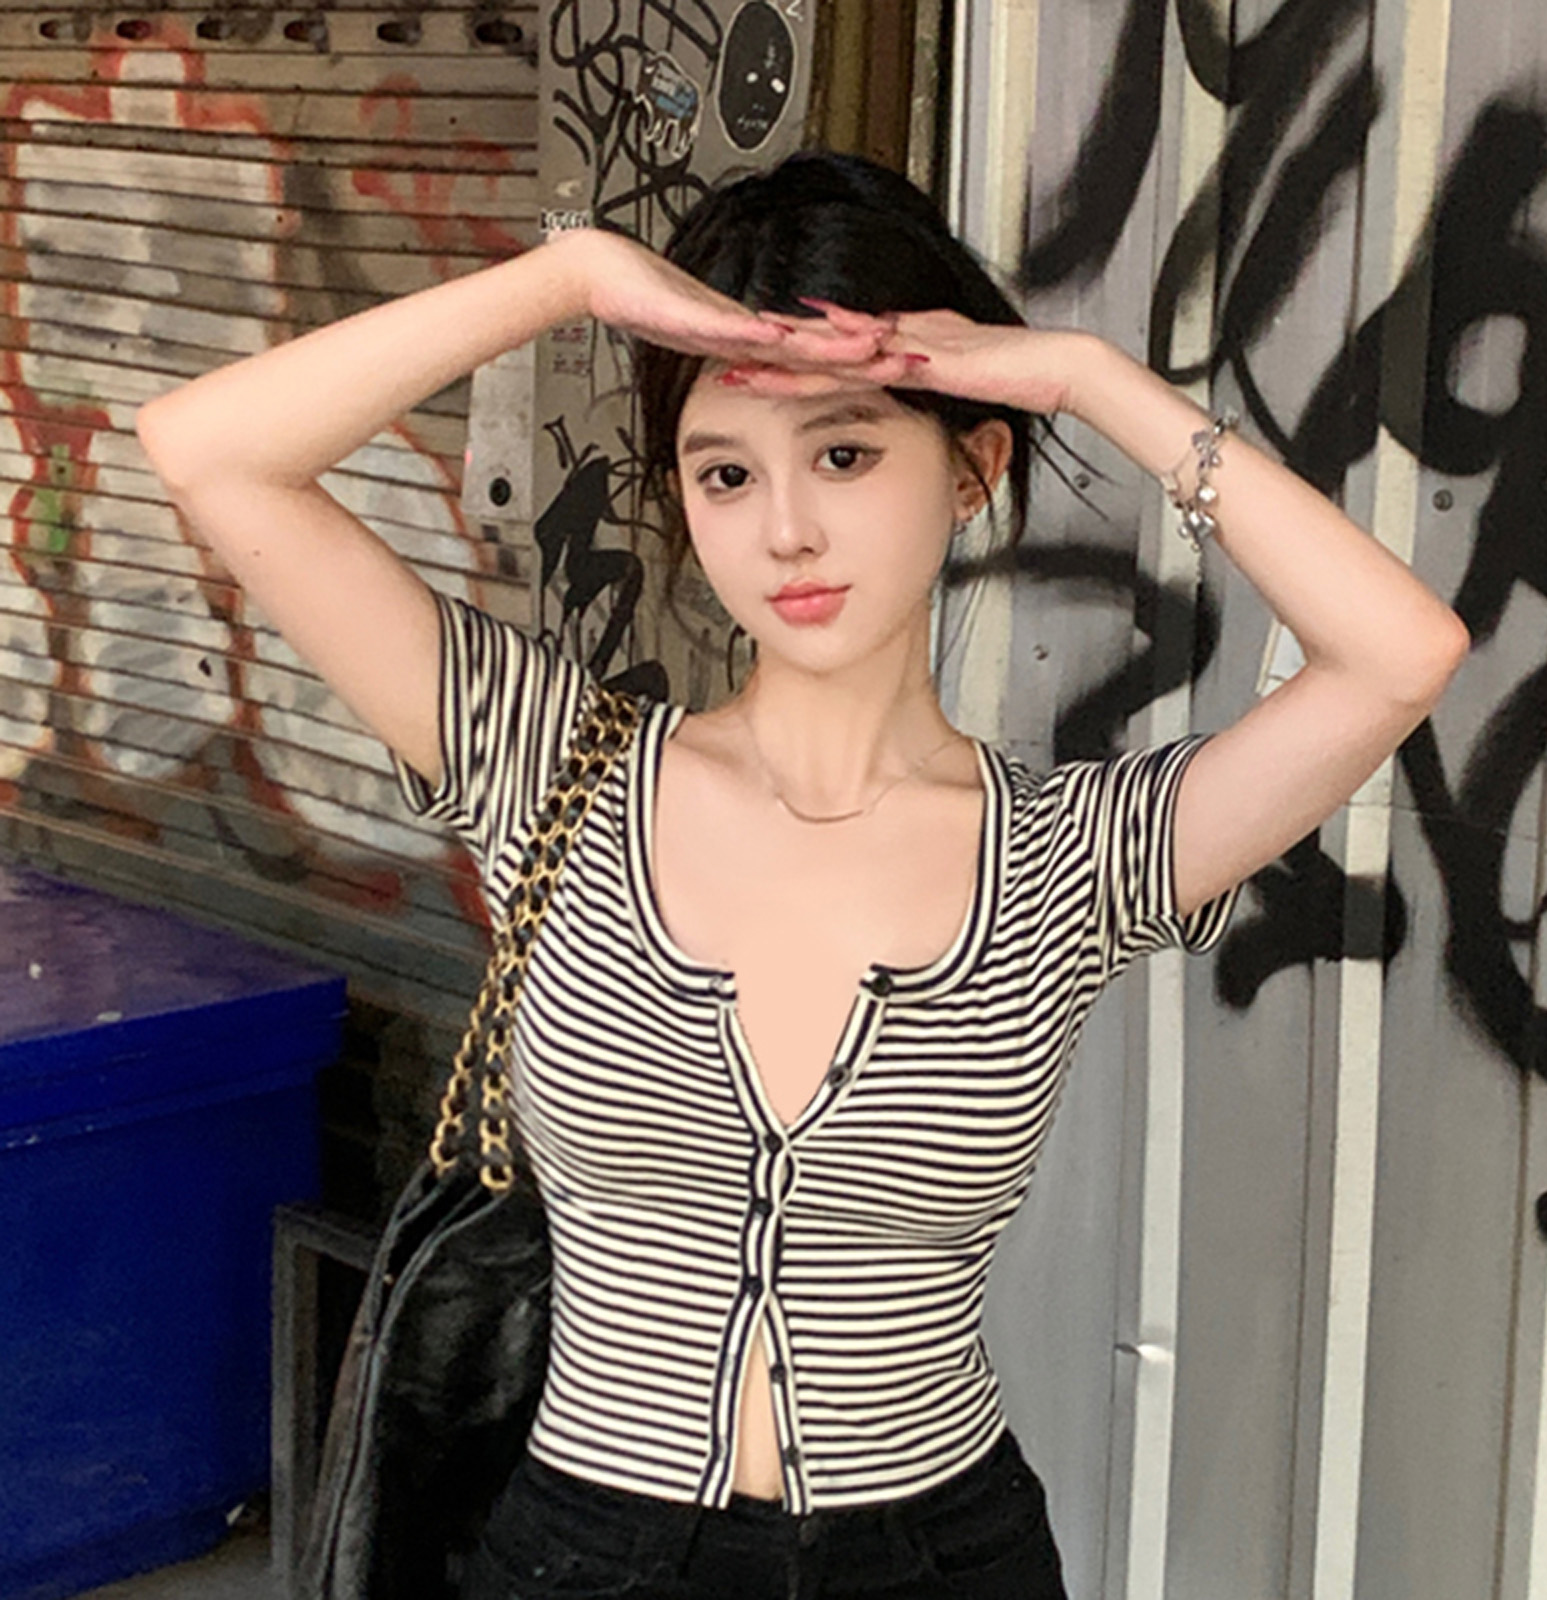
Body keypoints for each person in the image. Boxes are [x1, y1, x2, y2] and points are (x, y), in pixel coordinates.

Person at [136, 152, 1467, 1599]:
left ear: (972, 467)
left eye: (845, 455)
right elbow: (210, 449)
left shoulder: (1077, 851)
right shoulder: (547, 767)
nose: (785, 531)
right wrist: (572, 279)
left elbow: (1399, 653)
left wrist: (1087, 379)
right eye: (726, 473)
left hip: (939, 1558)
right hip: (582, 1555)